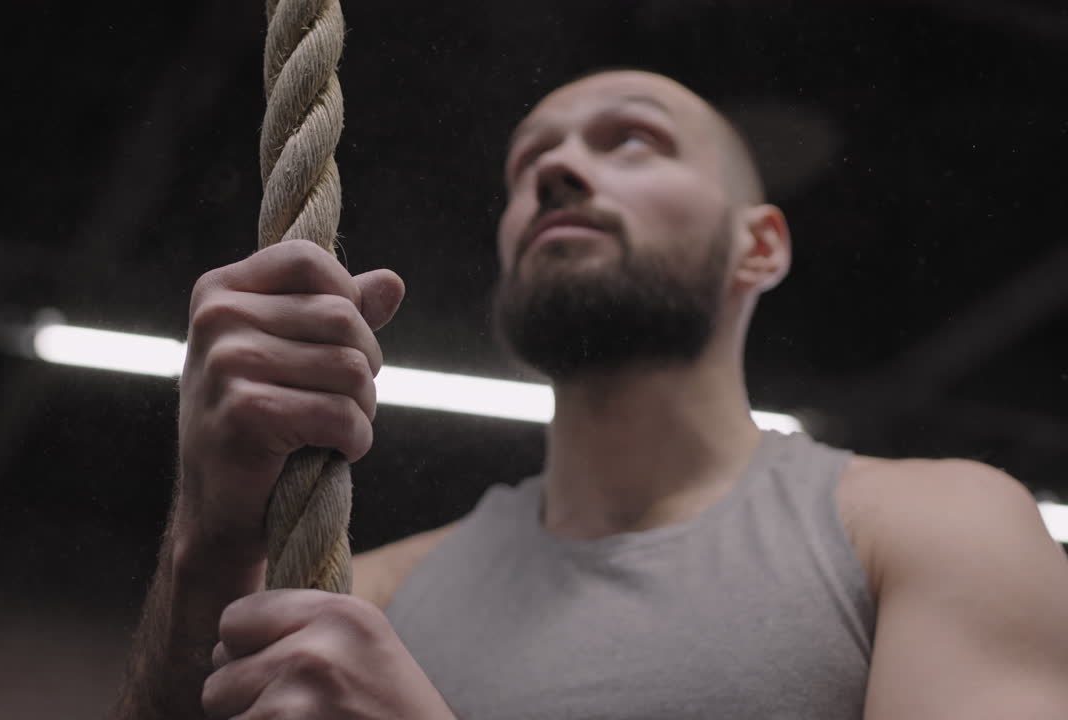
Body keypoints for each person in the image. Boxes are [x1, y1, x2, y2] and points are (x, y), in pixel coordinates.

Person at [111, 69, 1068, 719]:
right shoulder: (374, 592)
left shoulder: (939, 525)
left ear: (758, 245)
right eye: (528, 167)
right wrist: (212, 532)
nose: (556, 174)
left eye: (633, 143)